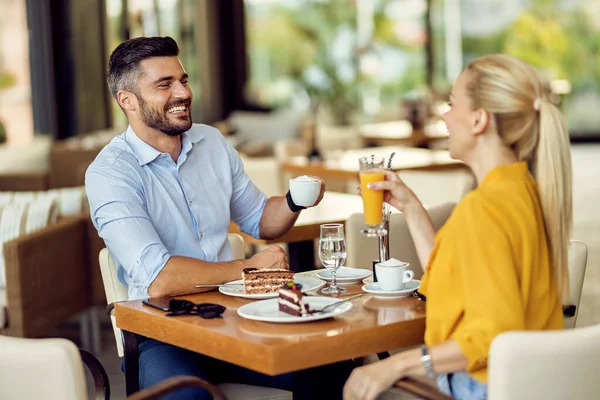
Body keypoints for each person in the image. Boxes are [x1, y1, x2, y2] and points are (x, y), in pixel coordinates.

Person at [85, 36, 329, 399]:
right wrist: (250, 267)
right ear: (128, 101)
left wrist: (295, 200)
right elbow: (160, 280)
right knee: (189, 395)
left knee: (328, 365)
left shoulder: (211, 142)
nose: (183, 92)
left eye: (183, 80)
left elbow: (262, 220)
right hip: (162, 334)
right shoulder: (110, 173)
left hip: (233, 318)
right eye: (164, 84)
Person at [343, 54, 572, 400]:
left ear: (479, 119)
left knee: (355, 384)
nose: (444, 116)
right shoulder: (522, 191)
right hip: (532, 385)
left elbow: (493, 336)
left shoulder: (483, 210)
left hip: (483, 387)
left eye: (451, 104)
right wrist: (411, 207)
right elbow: (458, 283)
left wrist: (398, 365)